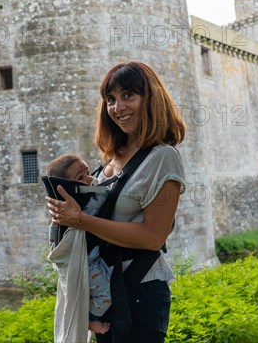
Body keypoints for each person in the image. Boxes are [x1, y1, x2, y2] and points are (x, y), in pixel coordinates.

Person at [46, 61, 186, 343]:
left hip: (139, 293)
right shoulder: (112, 157)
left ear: (150, 99)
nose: (117, 107)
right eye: (110, 99)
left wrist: (80, 219)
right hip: (106, 295)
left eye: (127, 96)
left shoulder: (163, 157)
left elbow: (153, 237)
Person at [45, 154, 111, 336]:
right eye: (81, 178)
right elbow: (103, 194)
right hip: (86, 264)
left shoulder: (62, 210)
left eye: (88, 172)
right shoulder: (77, 208)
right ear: (68, 187)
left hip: (84, 260)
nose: (90, 179)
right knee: (106, 294)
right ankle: (89, 319)